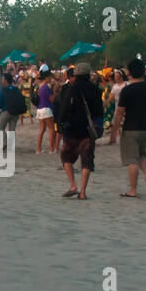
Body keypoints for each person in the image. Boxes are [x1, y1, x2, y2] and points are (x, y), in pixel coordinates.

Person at [109, 58, 146, 197]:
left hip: (130, 127)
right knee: (142, 154)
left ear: (130, 73)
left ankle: (132, 190)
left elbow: (119, 112)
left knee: (131, 159)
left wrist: (114, 131)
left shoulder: (127, 90)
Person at [57, 62, 102, 199]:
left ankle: (73, 185)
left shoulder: (72, 88)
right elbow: (99, 110)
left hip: (72, 129)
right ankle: (83, 191)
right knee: (86, 160)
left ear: (76, 74)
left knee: (66, 157)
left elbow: (64, 108)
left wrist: (60, 124)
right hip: (88, 130)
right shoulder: (95, 89)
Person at [34, 71, 55, 154]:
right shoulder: (46, 87)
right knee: (51, 129)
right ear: (46, 78)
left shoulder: (40, 86)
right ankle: (51, 149)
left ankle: (38, 149)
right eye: (50, 77)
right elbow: (51, 99)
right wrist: (53, 90)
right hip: (46, 108)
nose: (51, 79)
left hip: (40, 108)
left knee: (42, 129)